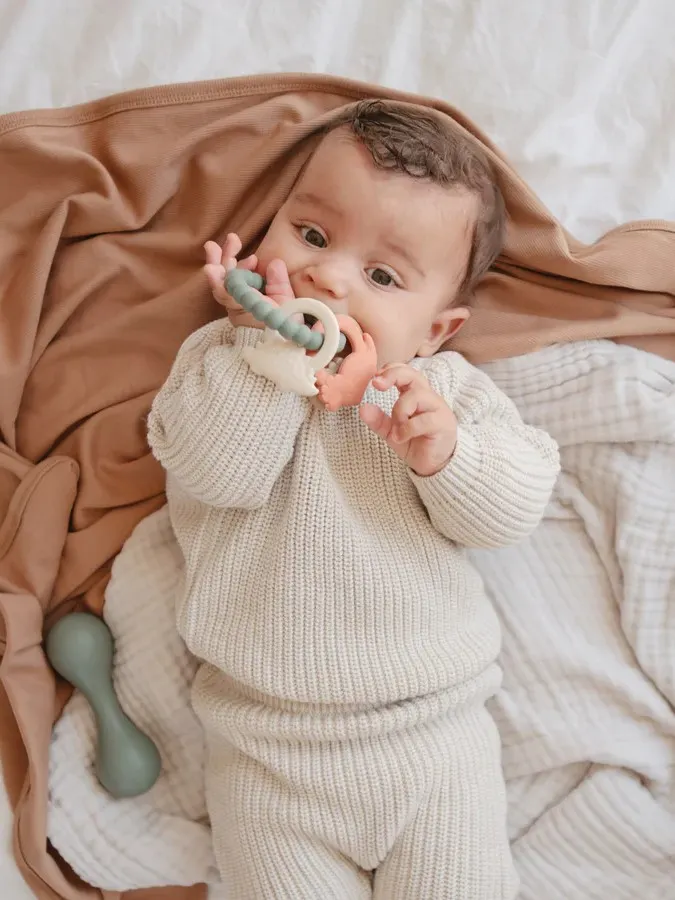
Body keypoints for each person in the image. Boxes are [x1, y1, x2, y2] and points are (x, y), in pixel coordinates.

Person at [147, 99, 560, 899]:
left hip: (432, 741)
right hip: (265, 752)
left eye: (381, 277)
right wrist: (264, 347)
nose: (327, 277)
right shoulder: (220, 361)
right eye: (309, 234)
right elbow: (214, 473)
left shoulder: (434, 395)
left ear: (435, 331)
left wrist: (447, 456)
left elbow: (514, 510)